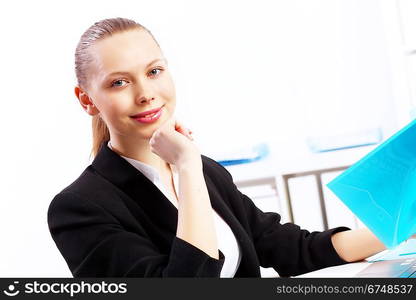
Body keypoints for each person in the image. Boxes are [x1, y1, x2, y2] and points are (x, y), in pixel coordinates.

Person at [47, 17, 388, 278]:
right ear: (86, 100)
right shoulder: (78, 209)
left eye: (154, 71)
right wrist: (187, 168)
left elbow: (293, 250)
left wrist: (398, 231)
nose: (145, 93)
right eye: (119, 82)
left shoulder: (205, 170)